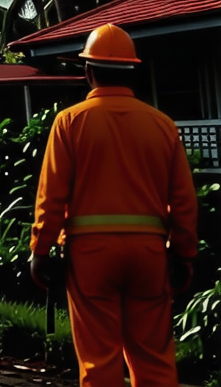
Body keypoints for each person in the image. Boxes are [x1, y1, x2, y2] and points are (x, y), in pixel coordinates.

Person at [30, 24, 198, 387]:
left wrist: (40, 250)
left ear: (88, 72)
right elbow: (183, 200)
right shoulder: (162, 125)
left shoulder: (70, 122)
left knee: (99, 358)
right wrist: (184, 254)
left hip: (91, 254)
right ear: (131, 70)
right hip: (149, 252)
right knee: (153, 357)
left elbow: (52, 197)